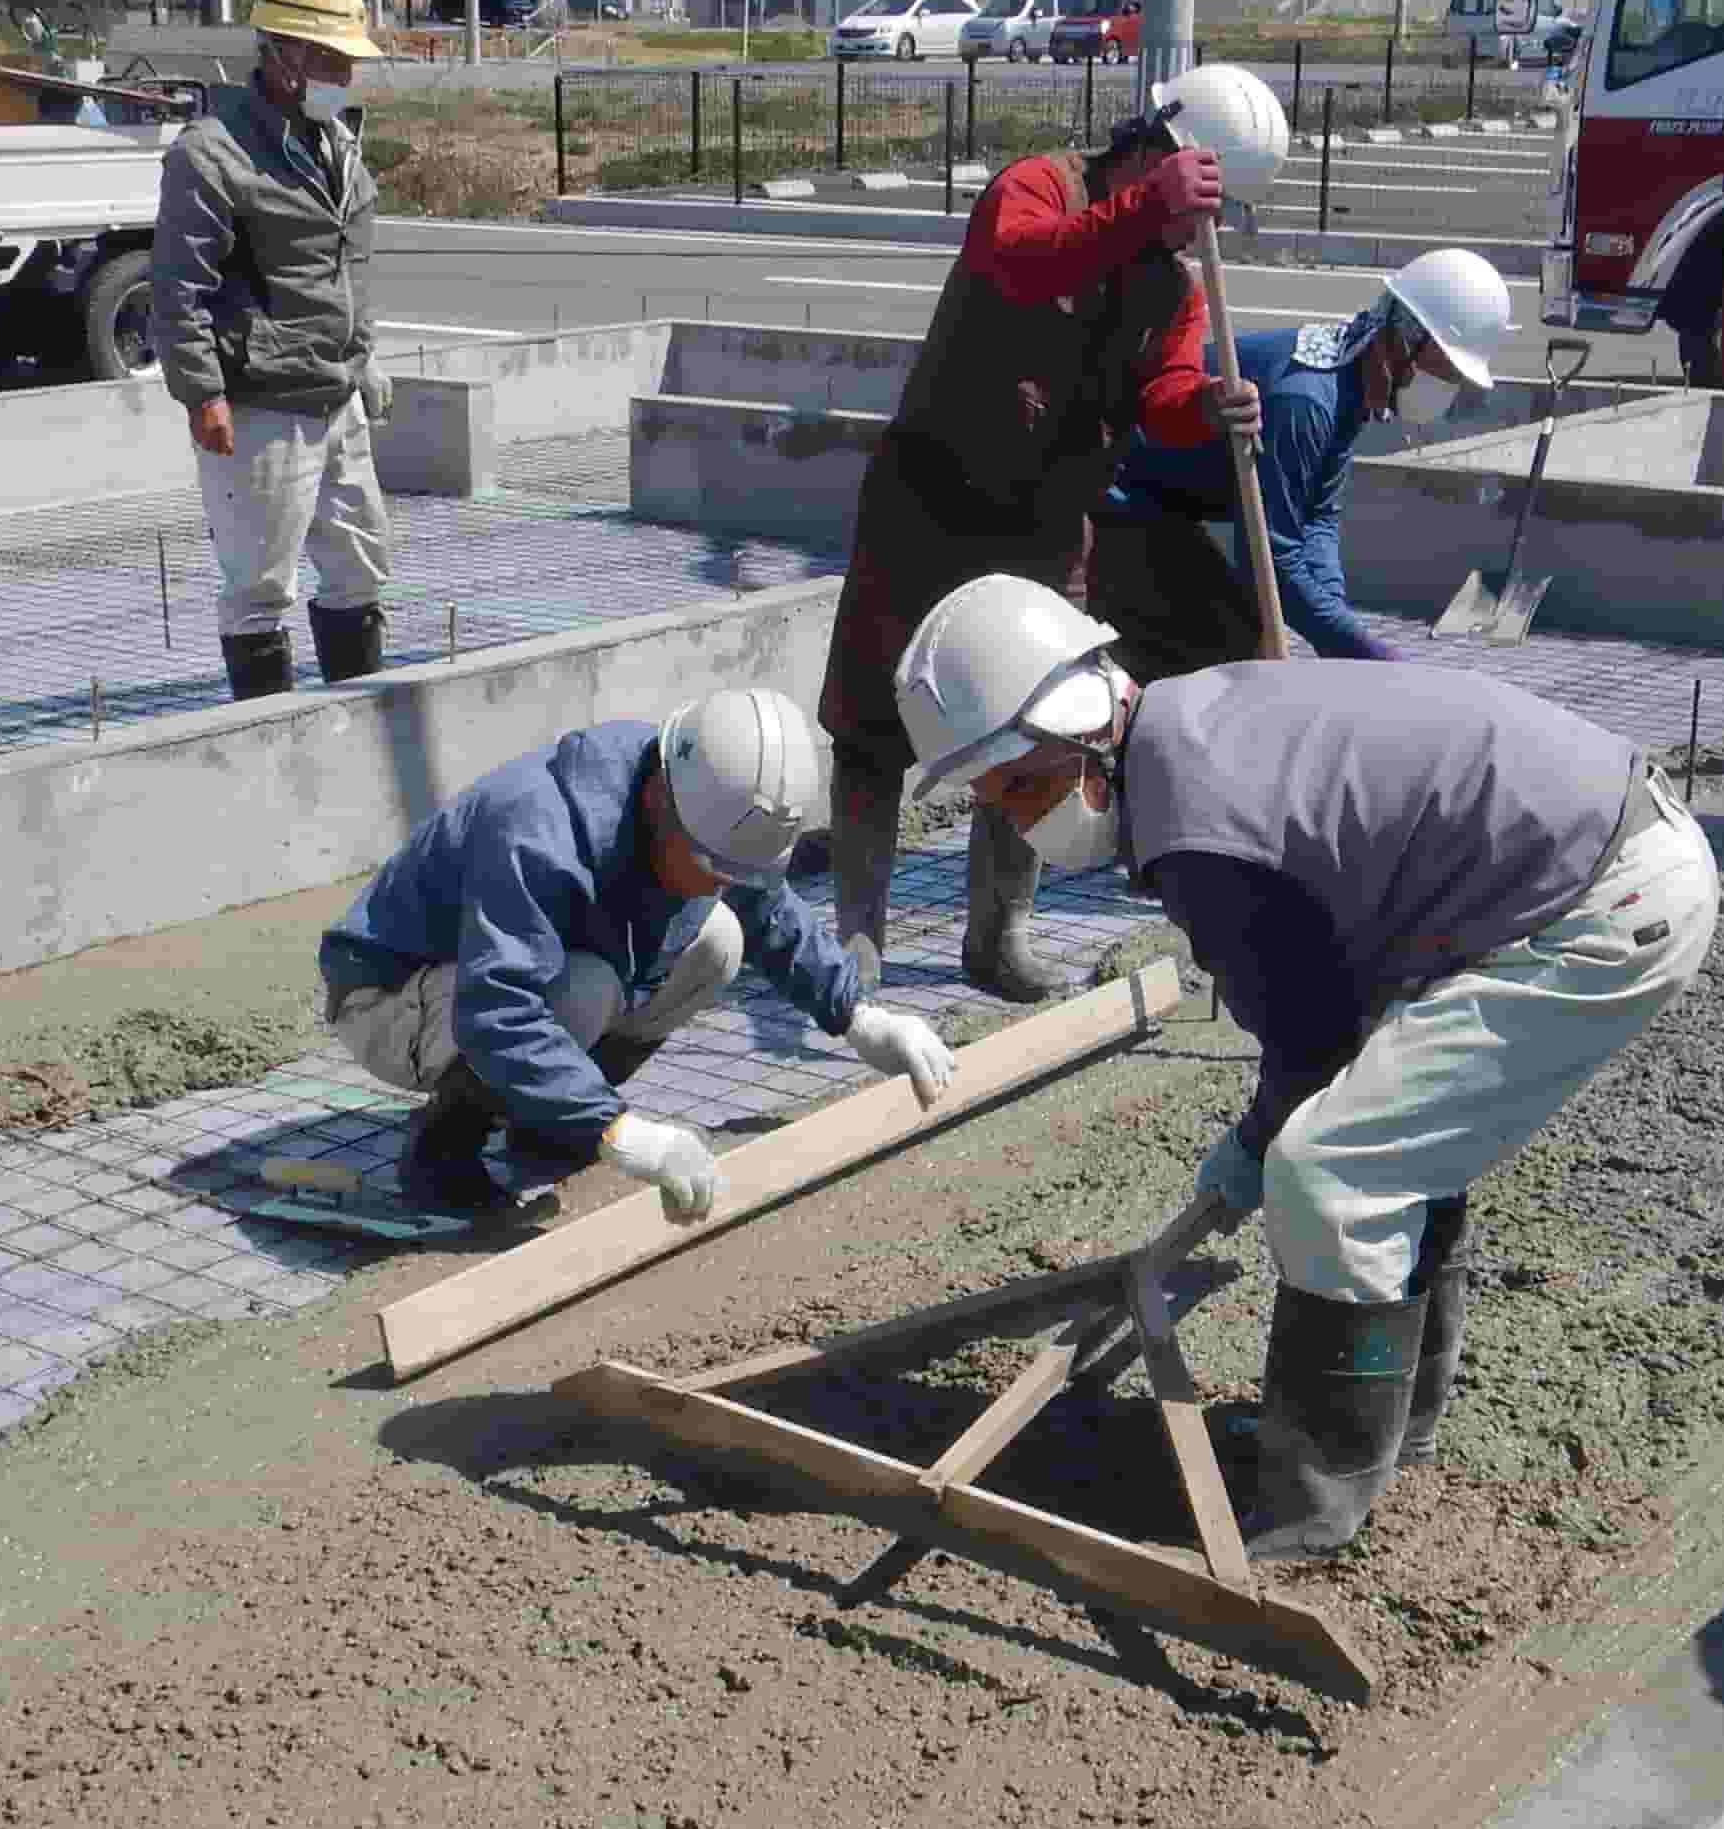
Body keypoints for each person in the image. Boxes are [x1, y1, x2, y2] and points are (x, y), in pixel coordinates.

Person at [894, 572, 1718, 1558]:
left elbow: (1310, 1044)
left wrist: (1255, 1150)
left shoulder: (1200, 827)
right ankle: (1384, 1438)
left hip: (1597, 908)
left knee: (1334, 1169)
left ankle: (1310, 1511)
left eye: (1024, 786)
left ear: (1087, 734)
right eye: (995, 801)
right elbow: (1325, 1009)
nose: (1019, 820)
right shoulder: (1184, 724)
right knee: (1389, 1138)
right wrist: (1261, 1134)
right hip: (1559, 864)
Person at [819, 62, 1287, 1005]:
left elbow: (1161, 395)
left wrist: (1208, 405)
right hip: (930, 500)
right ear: (1157, 153)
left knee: (1033, 719)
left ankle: (997, 939)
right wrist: (1143, 206)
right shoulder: (1035, 187)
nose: (1200, 229)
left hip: (1045, 520)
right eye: (1199, 201)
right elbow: (1023, 261)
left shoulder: (1174, 286)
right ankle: (856, 949)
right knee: (873, 727)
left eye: (1215, 214)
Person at [321, 684, 962, 1219]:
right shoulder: (541, 833)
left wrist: (860, 1016)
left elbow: (767, 905)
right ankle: (444, 1148)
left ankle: (548, 1119)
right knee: (584, 987)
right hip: (391, 997)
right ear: (659, 801)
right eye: (711, 865)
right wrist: (619, 1132)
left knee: (717, 939)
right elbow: (498, 1010)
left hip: (489, 983)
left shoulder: (699, 798)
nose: (722, 881)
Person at [153, 0, 399, 700]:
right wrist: (203, 395)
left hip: (335, 390)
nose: (345, 76)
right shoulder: (212, 153)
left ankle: (355, 723)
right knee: (260, 583)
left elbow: (347, 263)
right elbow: (178, 288)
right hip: (262, 401)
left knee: (360, 563)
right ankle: (266, 736)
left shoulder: (335, 141)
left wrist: (364, 356)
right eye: (331, 59)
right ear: (284, 54)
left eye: (349, 61)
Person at [1091, 247, 1514, 674]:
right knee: (1221, 649)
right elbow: (1272, 553)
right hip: (1117, 494)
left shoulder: (1350, 381)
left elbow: (1318, 516)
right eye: (1441, 371)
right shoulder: (1307, 400)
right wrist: (1358, 649)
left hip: (1167, 505)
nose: (1443, 387)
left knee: (1243, 636)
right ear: (1403, 337)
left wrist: (1339, 621)